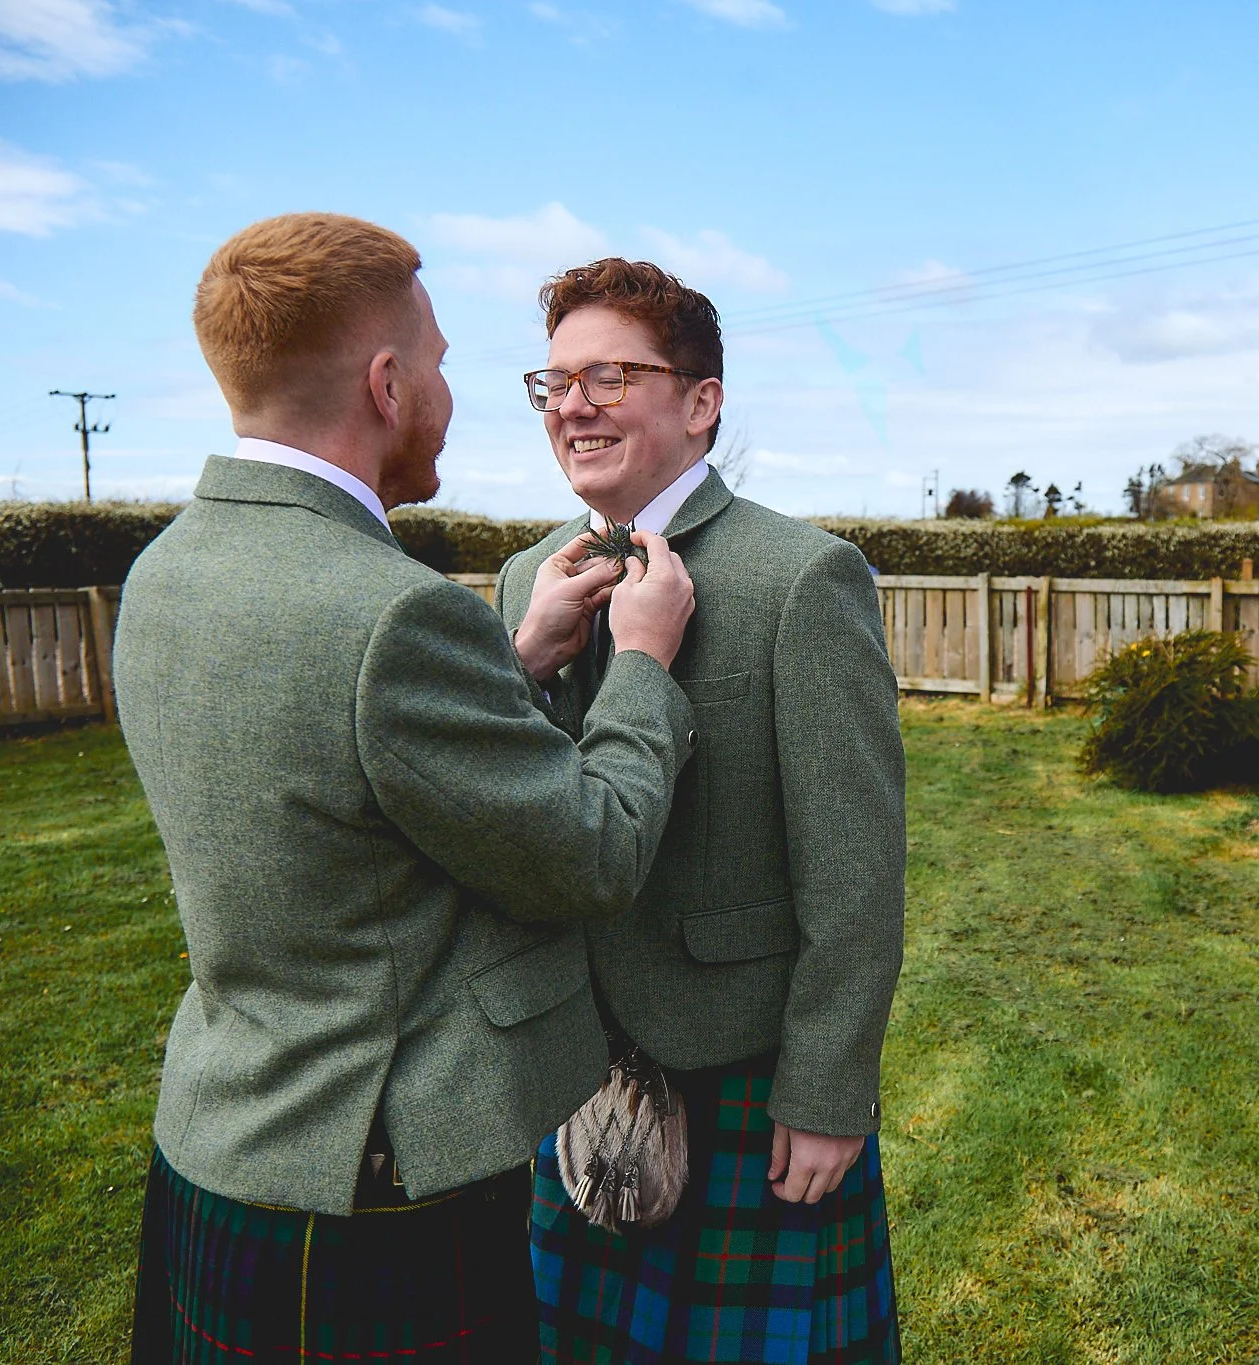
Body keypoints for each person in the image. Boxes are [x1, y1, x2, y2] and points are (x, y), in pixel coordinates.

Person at [117, 213, 699, 1362]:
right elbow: (592, 851)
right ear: (386, 385)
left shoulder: (167, 570)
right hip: (374, 1190)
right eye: (436, 362)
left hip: (220, 1149)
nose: (449, 390)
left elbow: (340, 760)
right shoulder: (390, 610)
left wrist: (512, 661)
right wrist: (638, 666)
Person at [491, 258, 905, 1364]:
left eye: (610, 375)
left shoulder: (799, 579)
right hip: (570, 1075)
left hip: (743, 1087)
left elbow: (856, 870)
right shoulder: (525, 576)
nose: (572, 404)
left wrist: (825, 1092)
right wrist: (521, 661)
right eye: (554, 381)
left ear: (701, 401)